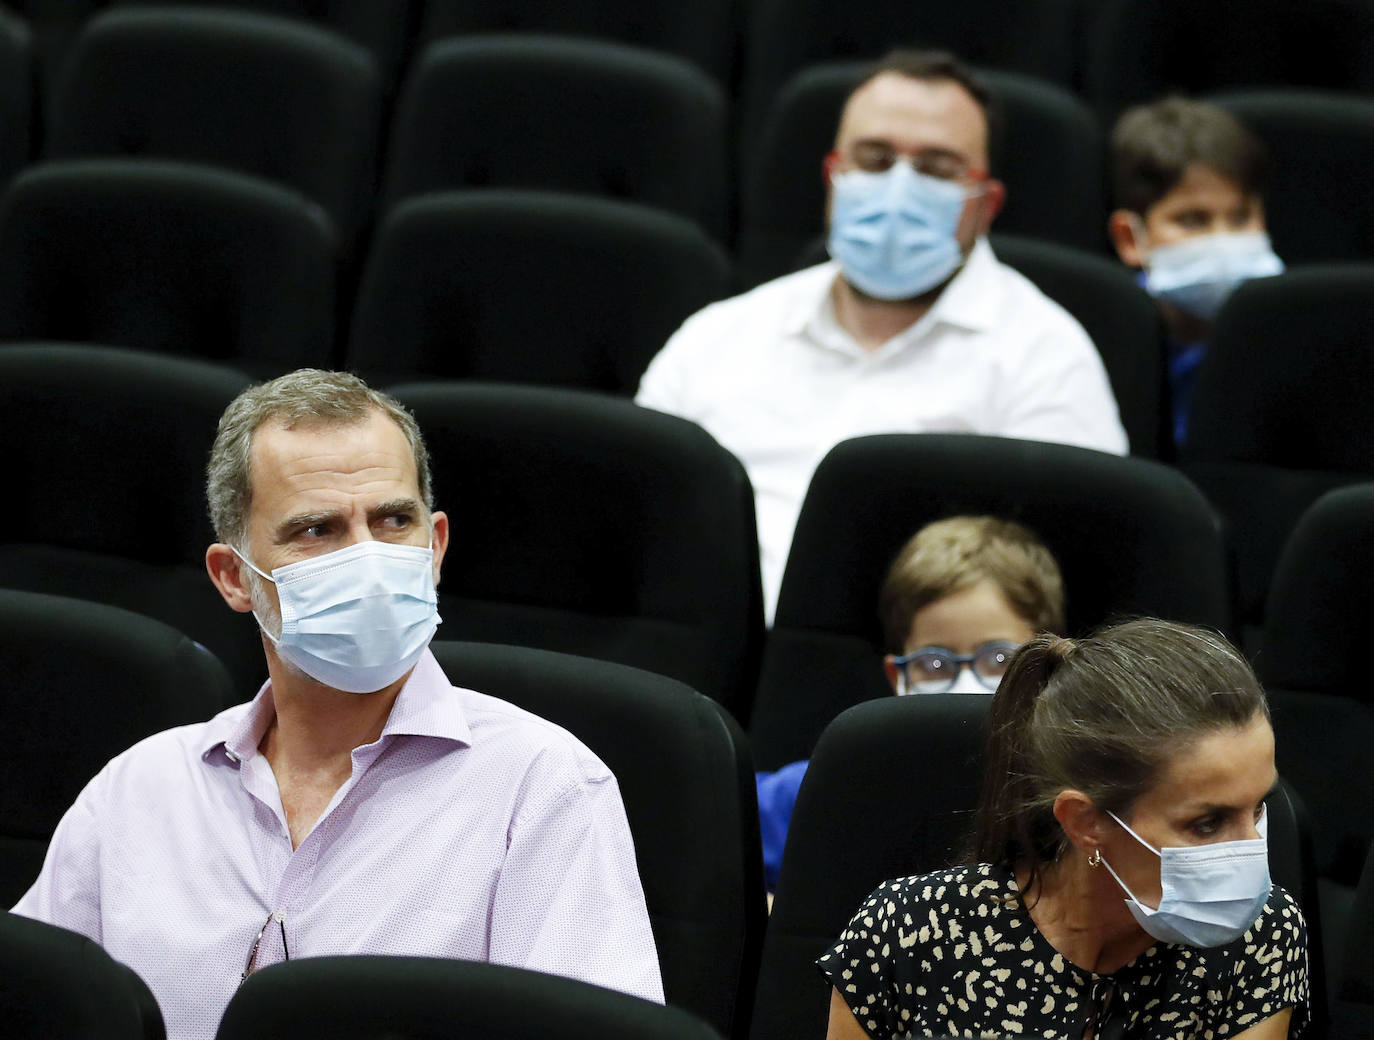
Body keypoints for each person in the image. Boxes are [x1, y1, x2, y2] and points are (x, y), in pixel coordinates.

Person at [13, 370, 663, 1039]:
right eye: (317, 529)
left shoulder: (543, 786)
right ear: (233, 576)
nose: (368, 559)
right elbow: (32, 1009)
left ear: (435, 546)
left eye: (393, 520)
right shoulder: (135, 791)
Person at [636, 49, 1127, 621]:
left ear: (985, 203)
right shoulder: (717, 336)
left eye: (937, 168)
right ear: (834, 175)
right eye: (873, 159)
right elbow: (640, 520)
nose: (897, 186)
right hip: (705, 649)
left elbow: (1067, 579)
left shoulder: (1047, 356)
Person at [819, 619, 1309, 1040]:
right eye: (1207, 823)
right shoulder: (907, 934)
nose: (1250, 848)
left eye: (1259, 807)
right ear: (1085, 822)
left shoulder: (1261, 939)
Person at [756, 516, 1063, 892]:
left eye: (998, 659)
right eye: (934, 664)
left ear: (1047, 665)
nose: (965, 687)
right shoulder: (836, 782)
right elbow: (718, 828)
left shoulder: (1071, 797)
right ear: (896, 676)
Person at [1107, 97, 1284, 449]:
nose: (1223, 240)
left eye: (1240, 217)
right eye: (1193, 220)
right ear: (1130, 238)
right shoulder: (1108, 338)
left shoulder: (1295, 333)